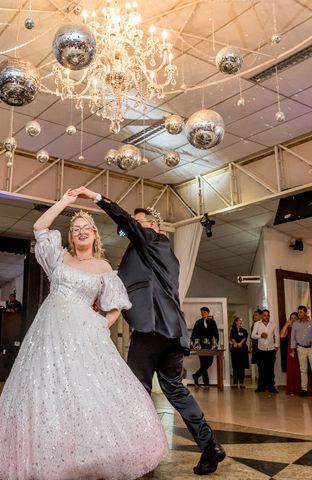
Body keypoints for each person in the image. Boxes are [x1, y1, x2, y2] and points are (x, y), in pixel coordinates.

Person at [0, 191, 167, 480]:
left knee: (87, 389)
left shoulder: (104, 269)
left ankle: (93, 454)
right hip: (48, 333)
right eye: (76, 229)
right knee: (49, 389)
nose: (81, 232)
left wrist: (102, 324)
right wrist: (65, 202)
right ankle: (54, 454)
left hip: (85, 334)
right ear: (71, 236)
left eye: (87, 228)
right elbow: (39, 228)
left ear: (95, 235)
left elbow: (115, 306)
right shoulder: (58, 259)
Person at [73, 185, 225, 476]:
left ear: (152, 225)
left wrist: (97, 198)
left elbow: (126, 223)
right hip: (172, 333)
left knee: (134, 391)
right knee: (176, 391)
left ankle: (136, 452)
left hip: (152, 329)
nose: (131, 226)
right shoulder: (163, 253)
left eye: (138, 222)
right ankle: (210, 447)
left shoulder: (151, 240)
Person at [290, 306, 312, 398]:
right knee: (303, 370)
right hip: (300, 348)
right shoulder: (295, 324)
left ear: (305, 313)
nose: (299, 314)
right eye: (298, 312)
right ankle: (304, 389)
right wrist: (293, 349)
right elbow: (292, 338)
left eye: (300, 312)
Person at [280, 312, 312, 396]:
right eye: (291, 318)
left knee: (303, 368)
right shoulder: (289, 328)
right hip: (291, 349)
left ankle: (304, 388)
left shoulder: (301, 327)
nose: (293, 319)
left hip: (301, 347)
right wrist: (287, 324)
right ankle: (293, 389)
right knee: (293, 369)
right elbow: (281, 335)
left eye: (295, 317)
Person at [251, 309, 279, 393]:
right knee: (261, 369)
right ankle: (260, 387)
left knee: (270, 369)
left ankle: (271, 387)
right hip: (261, 350)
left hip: (271, 350)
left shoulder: (273, 324)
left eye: (268, 315)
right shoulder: (257, 324)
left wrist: (276, 346)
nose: (266, 317)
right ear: (262, 316)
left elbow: (276, 336)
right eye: (265, 315)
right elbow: (252, 335)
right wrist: (260, 336)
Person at [191, 306, 219, 387]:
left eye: (204, 312)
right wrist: (193, 344)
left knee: (209, 362)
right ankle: (206, 384)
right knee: (203, 364)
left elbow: (216, 334)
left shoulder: (212, 322)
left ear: (208, 313)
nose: (203, 314)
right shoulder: (198, 322)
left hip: (210, 345)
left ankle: (195, 375)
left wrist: (216, 344)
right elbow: (194, 334)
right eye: (202, 312)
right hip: (200, 346)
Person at [229, 318, 249, 388]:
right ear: (235, 322)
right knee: (235, 367)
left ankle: (241, 383)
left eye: (241, 321)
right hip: (235, 351)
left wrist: (240, 343)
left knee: (241, 367)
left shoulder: (244, 331)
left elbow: (244, 338)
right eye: (239, 321)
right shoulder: (232, 330)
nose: (241, 322)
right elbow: (232, 338)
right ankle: (235, 383)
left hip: (242, 350)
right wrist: (234, 343)